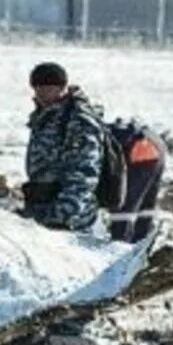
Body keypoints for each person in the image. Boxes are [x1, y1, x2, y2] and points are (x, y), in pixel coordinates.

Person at [21, 61, 105, 233]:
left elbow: (84, 174)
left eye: (48, 89)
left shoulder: (78, 121)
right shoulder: (45, 116)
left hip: (74, 221)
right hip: (44, 210)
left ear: (62, 88)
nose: (41, 94)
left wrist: (63, 215)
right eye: (37, 89)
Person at [106, 117, 166, 244]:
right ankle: (141, 241)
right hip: (156, 145)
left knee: (124, 205)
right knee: (147, 204)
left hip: (140, 150)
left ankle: (119, 244)